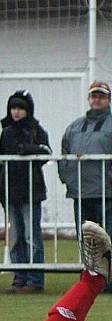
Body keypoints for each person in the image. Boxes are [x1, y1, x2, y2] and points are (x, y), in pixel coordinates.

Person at [58, 80, 112, 292]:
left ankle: (108, 280)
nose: (96, 99)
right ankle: (91, 279)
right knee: (87, 239)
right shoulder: (74, 127)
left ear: (108, 99)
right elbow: (64, 154)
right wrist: (69, 178)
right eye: (93, 95)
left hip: (107, 192)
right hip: (81, 192)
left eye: (101, 95)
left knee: (107, 237)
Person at [0, 90, 51, 294]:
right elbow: (0, 163)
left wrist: (29, 149)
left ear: (28, 110)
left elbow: (47, 153)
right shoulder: (6, 133)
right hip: (10, 192)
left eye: (20, 108)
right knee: (17, 236)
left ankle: (35, 279)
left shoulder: (37, 130)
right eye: (13, 108)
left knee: (31, 236)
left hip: (31, 191)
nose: (16, 112)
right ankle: (20, 277)